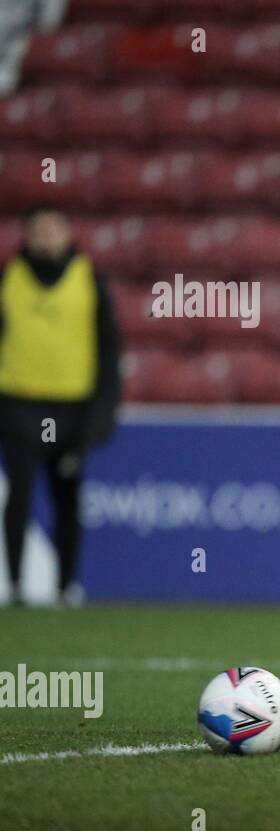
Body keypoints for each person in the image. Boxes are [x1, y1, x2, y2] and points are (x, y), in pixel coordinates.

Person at [0, 207, 120, 606]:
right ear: (27, 236)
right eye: (39, 230)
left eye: (54, 230)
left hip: (71, 406)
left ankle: (65, 587)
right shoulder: (8, 280)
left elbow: (108, 350)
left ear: (68, 235)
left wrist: (100, 417)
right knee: (19, 495)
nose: (47, 238)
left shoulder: (89, 281)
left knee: (67, 496)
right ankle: (14, 585)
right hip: (18, 403)